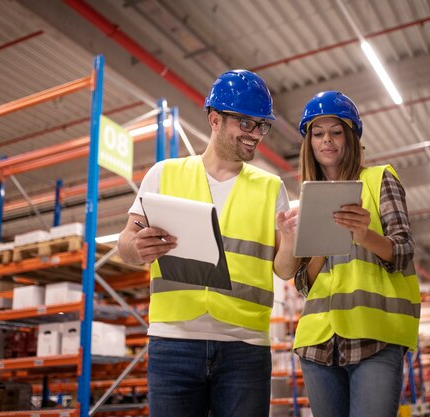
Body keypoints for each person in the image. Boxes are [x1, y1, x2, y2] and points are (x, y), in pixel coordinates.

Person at [117, 69, 299, 417]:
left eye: (262, 126)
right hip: (173, 341)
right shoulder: (163, 174)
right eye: (246, 124)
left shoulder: (271, 187)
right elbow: (126, 242)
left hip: (244, 346)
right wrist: (136, 246)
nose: (256, 135)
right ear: (215, 119)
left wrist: (290, 242)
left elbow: (284, 269)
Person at [292, 91, 420, 417]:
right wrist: (318, 251)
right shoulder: (307, 199)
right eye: (318, 134)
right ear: (309, 143)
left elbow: (403, 252)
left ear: (350, 136)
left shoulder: (378, 180)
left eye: (336, 131)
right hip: (318, 343)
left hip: (375, 337)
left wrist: (365, 235)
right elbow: (304, 284)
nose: (327, 141)